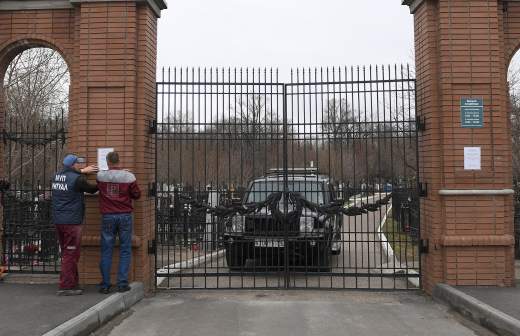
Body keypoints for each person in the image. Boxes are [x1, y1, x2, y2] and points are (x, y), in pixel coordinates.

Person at [52, 154, 98, 295]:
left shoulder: (55, 176)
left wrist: (83, 171)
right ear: (73, 165)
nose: (80, 165)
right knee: (71, 254)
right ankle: (66, 287)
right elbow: (92, 189)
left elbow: (70, 177)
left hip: (59, 220)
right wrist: (105, 179)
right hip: (72, 222)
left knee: (67, 253)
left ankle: (72, 283)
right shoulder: (77, 179)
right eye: (78, 163)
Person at [96, 151, 141, 294]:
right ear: (119, 161)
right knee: (125, 249)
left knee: (106, 250)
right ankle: (122, 283)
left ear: (108, 161)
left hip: (108, 216)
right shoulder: (129, 177)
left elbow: (100, 184)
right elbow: (137, 195)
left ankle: (105, 284)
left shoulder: (100, 176)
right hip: (124, 216)